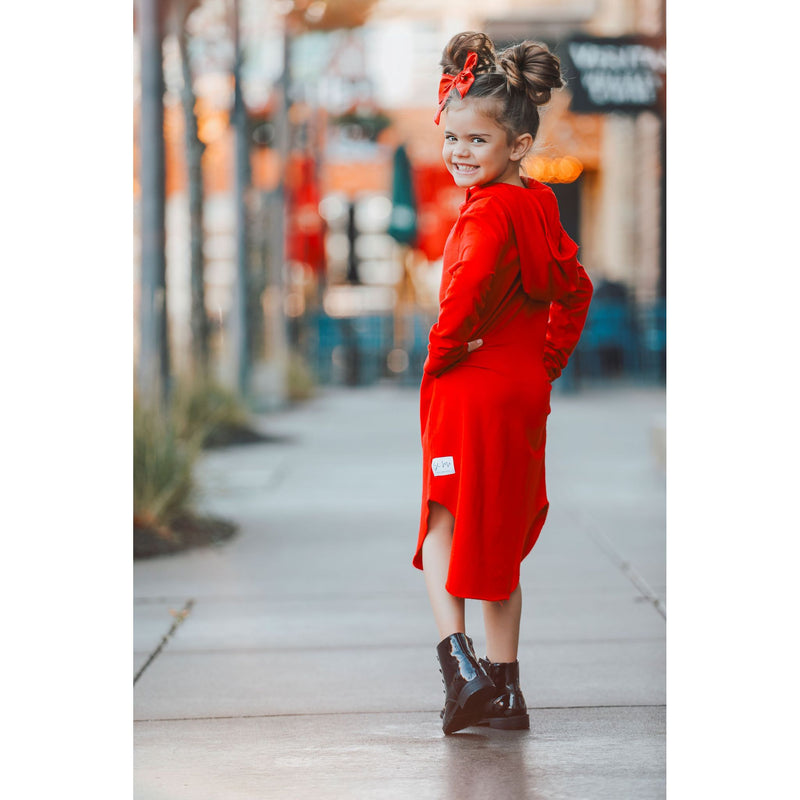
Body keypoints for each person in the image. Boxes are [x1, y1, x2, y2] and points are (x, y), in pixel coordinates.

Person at [414, 31, 594, 735]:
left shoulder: (485, 215)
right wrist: (546, 360)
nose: (459, 152)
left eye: (476, 141)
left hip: (472, 385)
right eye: (452, 137)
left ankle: (461, 672)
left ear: (516, 144)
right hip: (520, 386)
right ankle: (507, 689)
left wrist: (439, 359)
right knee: (499, 534)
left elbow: (460, 305)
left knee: (443, 520)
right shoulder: (541, 207)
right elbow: (574, 289)